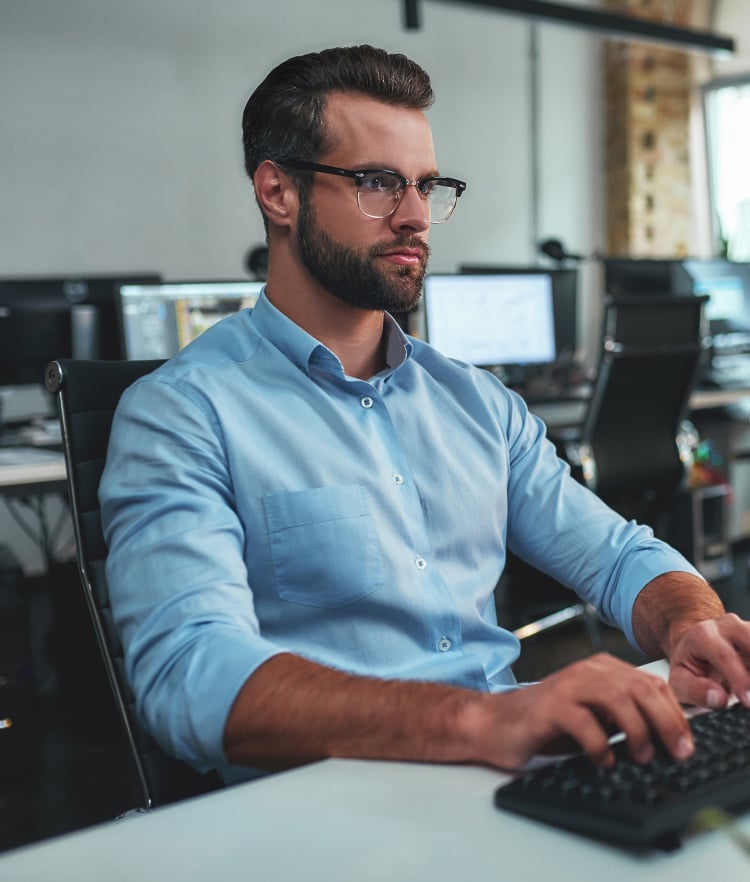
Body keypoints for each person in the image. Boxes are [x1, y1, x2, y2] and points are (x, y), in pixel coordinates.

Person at [100, 44, 750, 785]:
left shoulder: (475, 402)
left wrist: (691, 621)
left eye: (427, 186)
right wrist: (483, 720)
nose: (415, 217)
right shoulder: (181, 415)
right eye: (377, 184)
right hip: (334, 807)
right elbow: (187, 677)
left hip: (504, 776)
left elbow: (617, 553)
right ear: (277, 193)